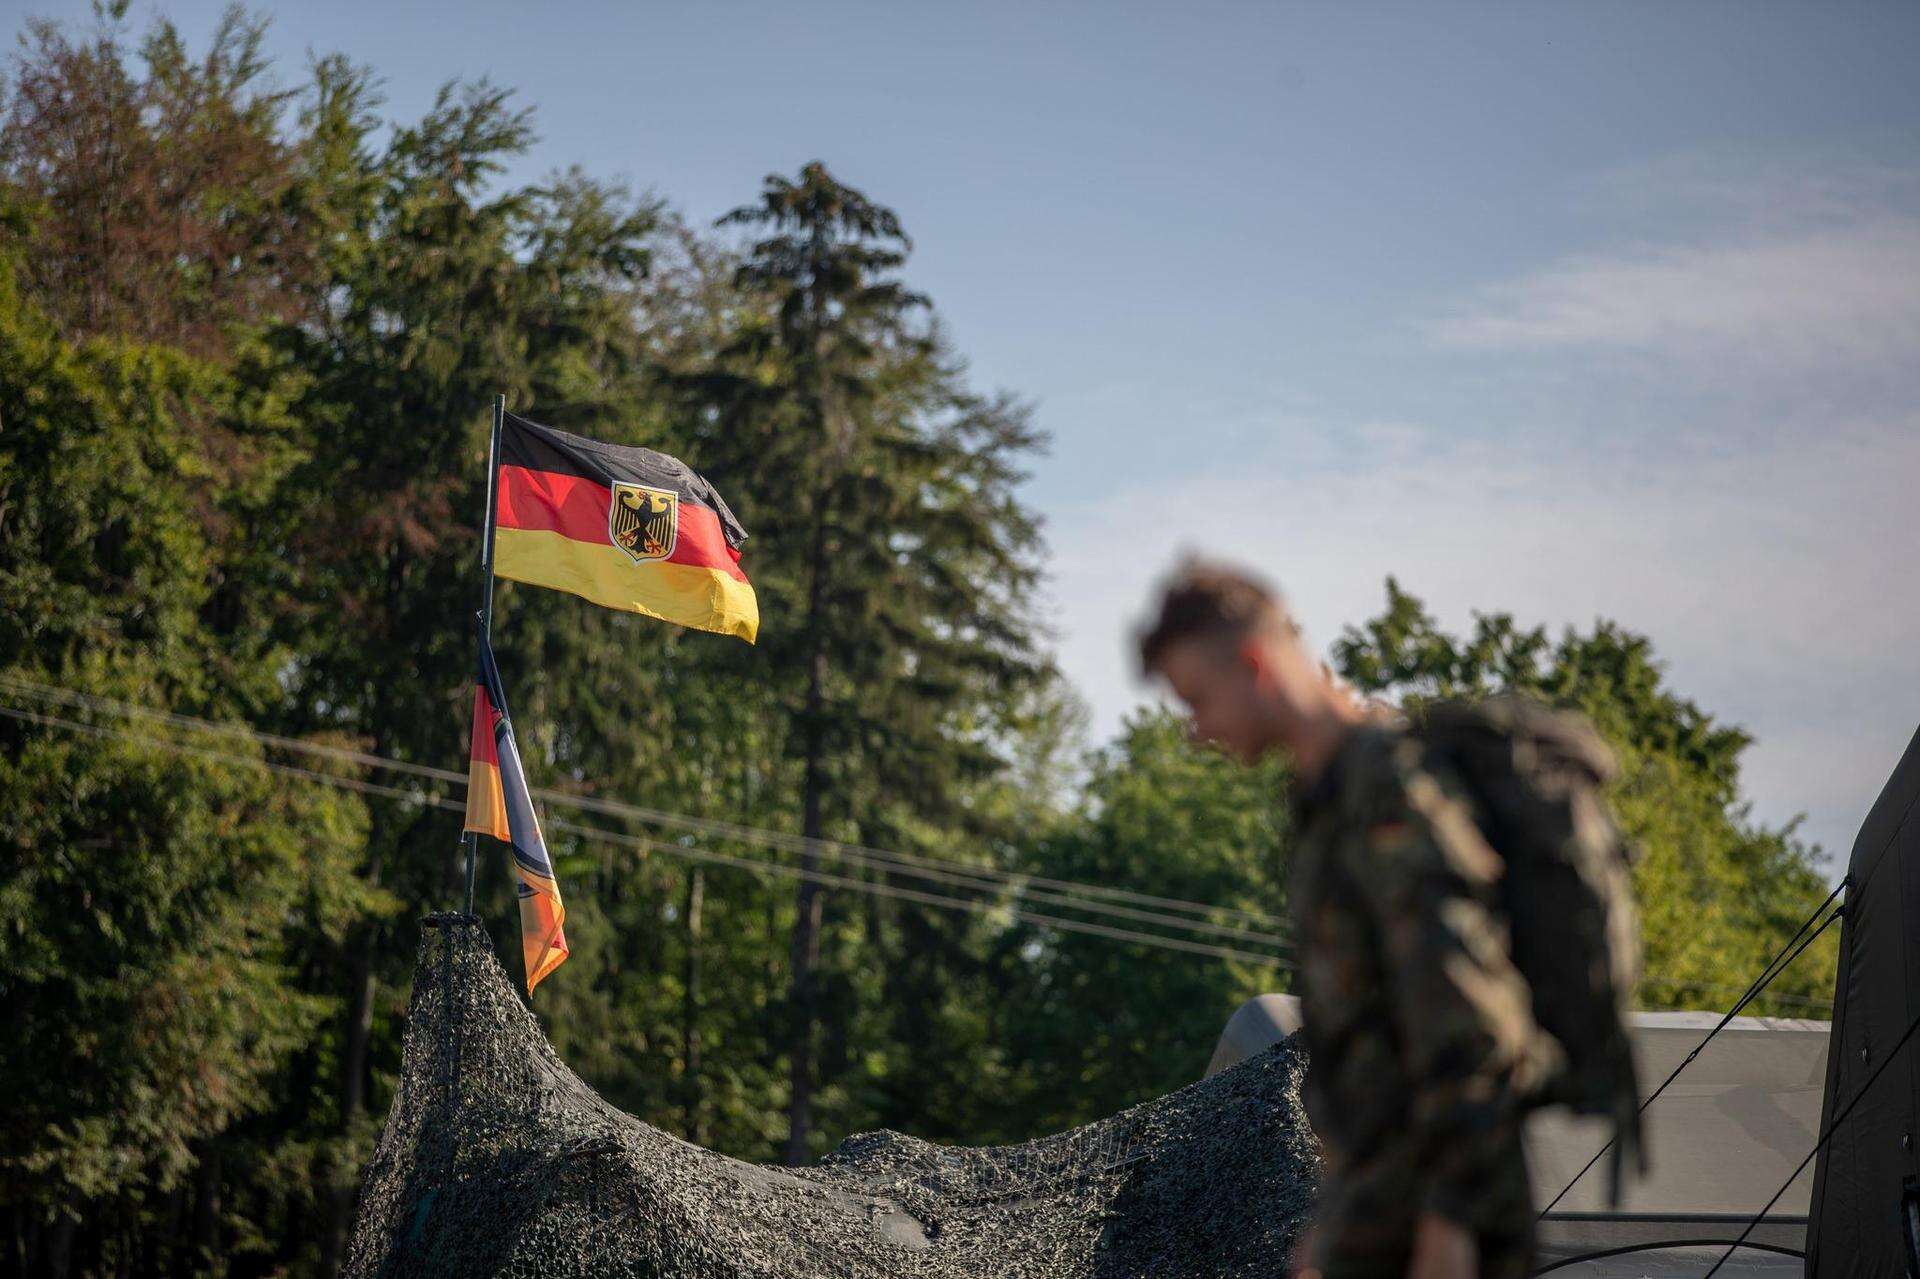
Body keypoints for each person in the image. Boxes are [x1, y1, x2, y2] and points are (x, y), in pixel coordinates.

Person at [1138, 559, 1563, 1279]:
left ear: (1252, 664)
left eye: (1198, 698)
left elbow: (1472, 1025)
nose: (1194, 728)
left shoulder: (1389, 787)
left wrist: (1446, 1233)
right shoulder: (1326, 798)